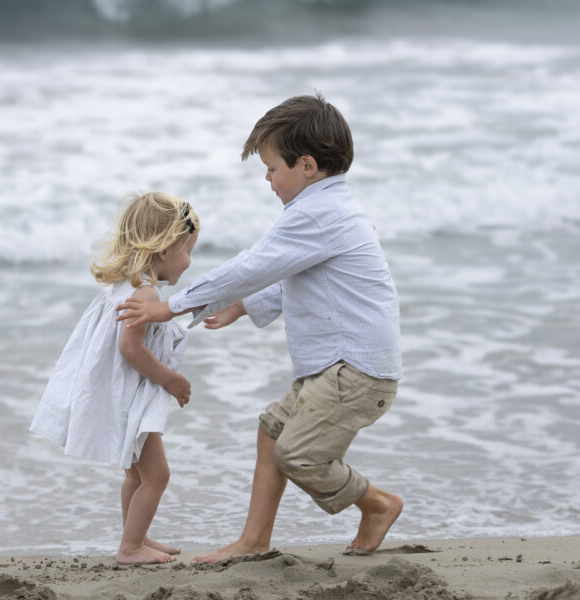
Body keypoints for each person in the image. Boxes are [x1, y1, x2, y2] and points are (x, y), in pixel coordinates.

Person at [116, 93, 403, 562]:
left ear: (306, 166)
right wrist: (242, 307)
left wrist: (172, 307)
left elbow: (255, 264)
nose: (268, 181)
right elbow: (295, 275)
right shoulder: (326, 213)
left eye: (272, 169)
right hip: (334, 367)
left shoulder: (319, 214)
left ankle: (377, 504)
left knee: (298, 456)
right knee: (272, 431)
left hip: (354, 370)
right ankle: (254, 541)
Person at [30, 191, 200, 565]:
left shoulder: (126, 282)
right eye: (187, 250)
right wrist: (172, 380)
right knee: (157, 475)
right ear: (163, 250)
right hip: (129, 396)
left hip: (115, 390)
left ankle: (134, 536)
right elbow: (130, 348)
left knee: (137, 475)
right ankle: (130, 548)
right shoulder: (146, 290)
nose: (190, 262)